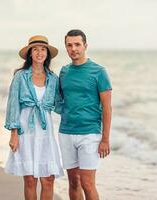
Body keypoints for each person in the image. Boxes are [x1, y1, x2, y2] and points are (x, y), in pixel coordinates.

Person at [4, 35, 64, 200]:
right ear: (30, 53)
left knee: (48, 179)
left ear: (47, 54)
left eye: (43, 49)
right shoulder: (20, 76)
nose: (39, 53)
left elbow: (59, 105)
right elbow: (13, 105)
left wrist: (83, 105)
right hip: (25, 130)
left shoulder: (53, 79)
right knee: (30, 179)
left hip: (45, 132)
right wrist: (13, 134)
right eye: (35, 49)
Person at [58, 29, 112, 200]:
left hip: (90, 134)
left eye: (77, 44)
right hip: (66, 132)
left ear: (85, 46)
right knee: (73, 182)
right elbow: (59, 100)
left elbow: (107, 108)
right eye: (69, 45)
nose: (73, 49)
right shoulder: (64, 72)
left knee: (87, 183)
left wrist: (105, 139)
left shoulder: (99, 72)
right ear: (66, 47)